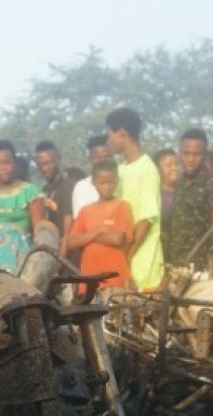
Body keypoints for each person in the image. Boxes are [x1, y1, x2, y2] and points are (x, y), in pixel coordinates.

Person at [106, 108, 162, 291]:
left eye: (109, 135)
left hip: (143, 263)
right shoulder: (120, 170)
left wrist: (127, 257)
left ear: (122, 133)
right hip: (123, 260)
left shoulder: (147, 169)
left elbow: (145, 220)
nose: (108, 141)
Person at [0, 140, 44, 273]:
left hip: (21, 260)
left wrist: (37, 268)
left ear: (14, 163)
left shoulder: (30, 192)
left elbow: (39, 233)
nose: (3, 168)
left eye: (7, 162)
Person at [163, 128, 213, 272]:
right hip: (176, 264)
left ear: (204, 155)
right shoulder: (178, 183)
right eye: (186, 153)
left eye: (196, 154)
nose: (191, 159)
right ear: (179, 154)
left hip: (202, 268)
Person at [67, 159, 133, 291]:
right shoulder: (85, 211)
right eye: (102, 183)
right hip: (89, 280)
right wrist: (99, 231)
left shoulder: (122, 206)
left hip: (114, 280)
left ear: (117, 181)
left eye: (111, 182)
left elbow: (117, 239)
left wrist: (86, 237)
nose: (107, 187)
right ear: (93, 182)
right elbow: (71, 242)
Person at [35, 141, 74, 253]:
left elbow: (68, 230)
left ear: (58, 159)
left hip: (66, 252)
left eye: (50, 162)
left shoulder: (68, 187)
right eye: (42, 164)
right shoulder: (43, 191)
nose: (46, 168)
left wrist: (61, 258)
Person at [72, 135, 111, 217]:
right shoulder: (81, 187)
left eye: (107, 157)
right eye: (98, 158)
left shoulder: (119, 182)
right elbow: (80, 219)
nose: (103, 162)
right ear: (89, 159)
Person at [153, 148, 179, 218]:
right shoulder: (156, 196)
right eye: (169, 165)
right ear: (158, 169)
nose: (174, 168)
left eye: (177, 164)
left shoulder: (184, 192)